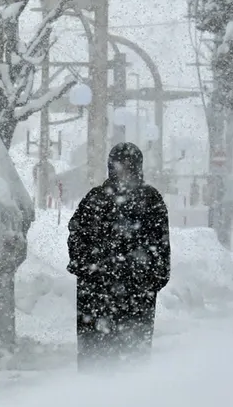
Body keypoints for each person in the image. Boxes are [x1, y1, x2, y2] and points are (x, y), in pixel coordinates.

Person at [67, 142, 171, 370]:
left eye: (128, 166)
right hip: (116, 295)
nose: (124, 171)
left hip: (107, 295)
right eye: (121, 165)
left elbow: (161, 248)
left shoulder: (101, 199)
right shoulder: (147, 199)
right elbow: (76, 237)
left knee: (109, 360)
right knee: (121, 360)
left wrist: (89, 269)